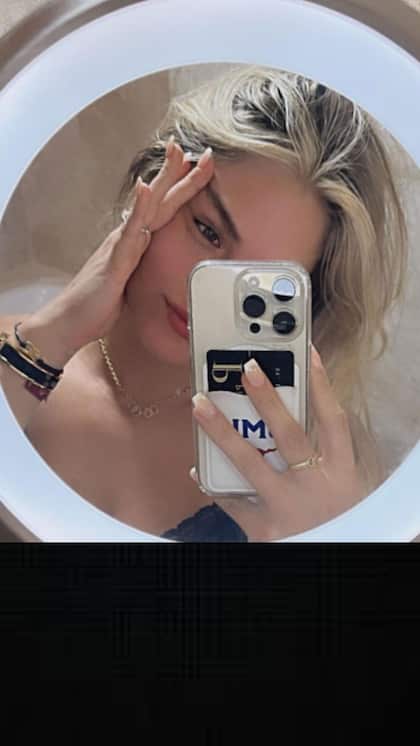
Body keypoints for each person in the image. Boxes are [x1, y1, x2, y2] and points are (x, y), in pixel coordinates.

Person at [0, 65, 408, 542]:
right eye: (208, 231)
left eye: (261, 283)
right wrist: (57, 332)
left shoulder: (318, 461)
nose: (208, 291)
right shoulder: (16, 352)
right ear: (156, 185)